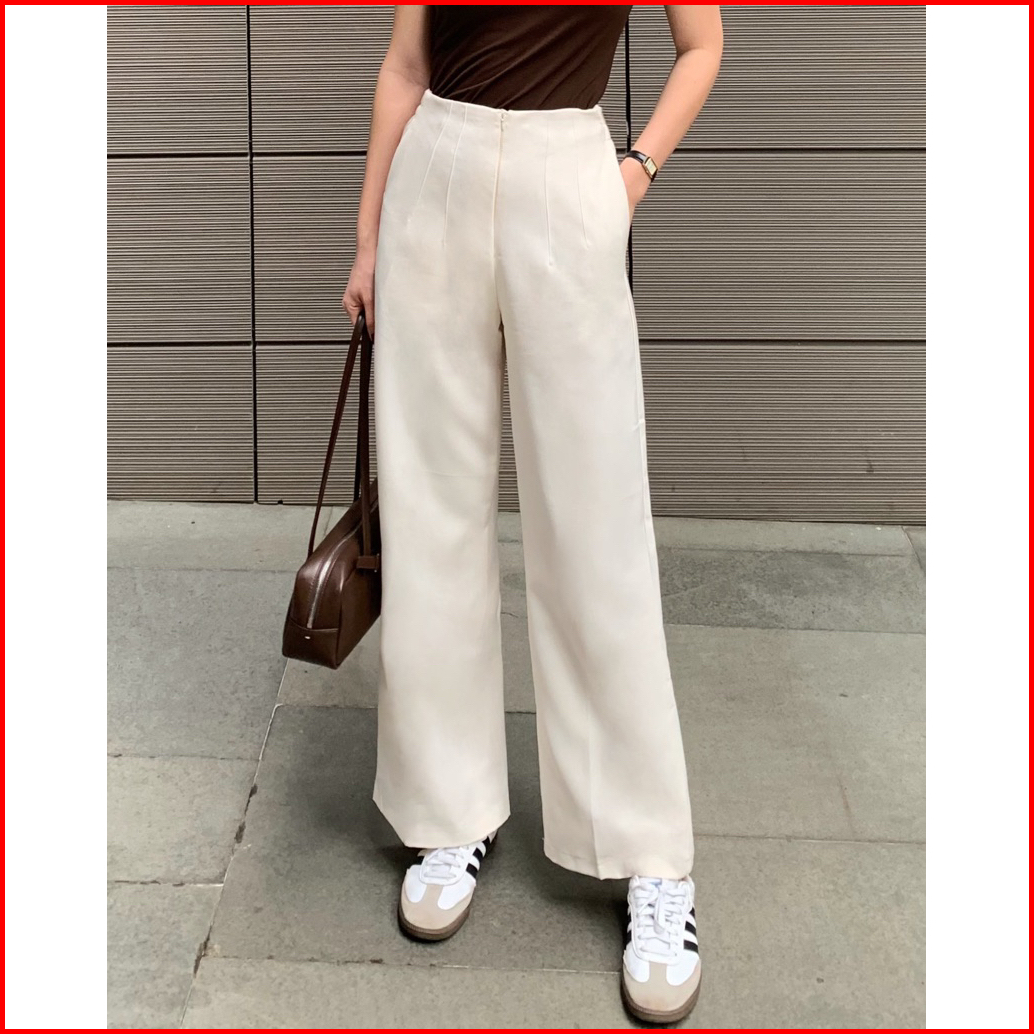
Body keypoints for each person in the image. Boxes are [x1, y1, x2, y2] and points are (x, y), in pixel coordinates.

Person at [342, 6, 723, 1023]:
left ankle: (650, 856)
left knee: (596, 524)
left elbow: (704, 44)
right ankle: (447, 811)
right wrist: (368, 237)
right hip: (436, 172)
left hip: (568, 174)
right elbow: (406, 64)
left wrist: (633, 172)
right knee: (428, 509)